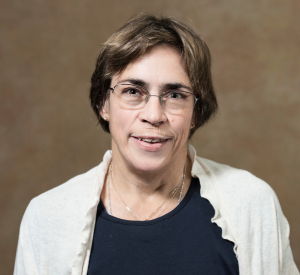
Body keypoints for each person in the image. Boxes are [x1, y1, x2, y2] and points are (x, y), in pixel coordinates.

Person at [14, 14, 299, 275]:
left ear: (196, 112)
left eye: (175, 95)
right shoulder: (46, 218)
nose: (153, 116)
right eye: (132, 91)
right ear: (104, 104)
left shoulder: (251, 204)